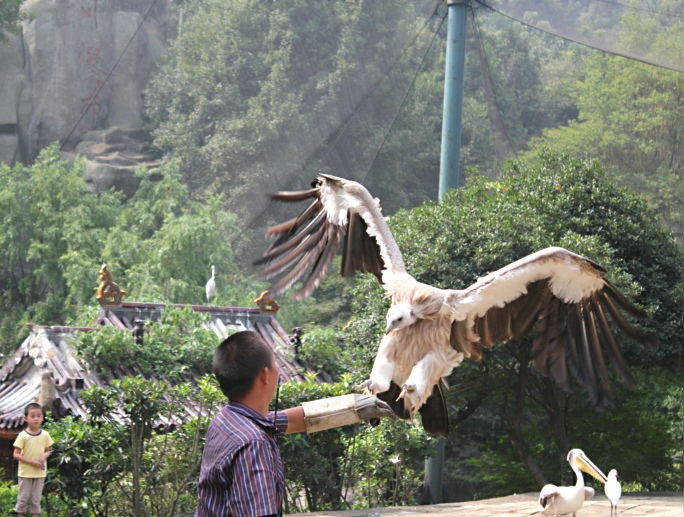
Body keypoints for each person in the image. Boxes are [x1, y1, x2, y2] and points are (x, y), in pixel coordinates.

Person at [196, 330, 396, 517]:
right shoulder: (254, 444)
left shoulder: (225, 420)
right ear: (265, 375)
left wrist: (355, 407)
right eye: (275, 365)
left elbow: (290, 420)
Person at [13, 402, 54, 517]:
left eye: (38, 416)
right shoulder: (22, 436)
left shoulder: (45, 435)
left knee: (36, 499)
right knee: (23, 498)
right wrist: (31, 462)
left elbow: (48, 450)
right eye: (32, 416)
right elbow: (16, 454)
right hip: (25, 472)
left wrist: (43, 457)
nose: (36, 419)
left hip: (40, 472)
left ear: (42, 417)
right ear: (26, 418)